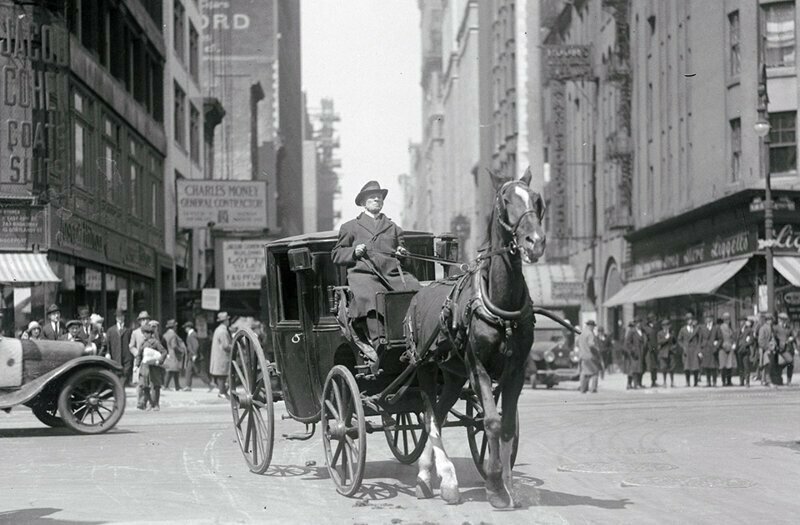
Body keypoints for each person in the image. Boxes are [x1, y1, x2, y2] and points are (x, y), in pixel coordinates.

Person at [331, 180, 420, 372]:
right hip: (364, 274)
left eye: (379, 198)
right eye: (372, 197)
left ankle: (415, 338)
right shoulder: (350, 227)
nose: (376, 200)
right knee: (370, 296)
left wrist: (403, 253)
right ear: (363, 202)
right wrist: (354, 251)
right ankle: (379, 341)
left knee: (415, 289)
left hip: (393, 274)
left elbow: (405, 256)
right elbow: (336, 254)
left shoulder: (393, 227)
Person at [136, 320, 167, 411]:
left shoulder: (156, 343)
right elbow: (139, 354)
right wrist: (136, 365)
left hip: (154, 368)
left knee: (155, 386)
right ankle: (150, 403)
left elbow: (164, 352)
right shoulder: (143, 343)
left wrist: (159, 361)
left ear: (150, 334)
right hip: (145, 368)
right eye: (144, 333)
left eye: (147, 333)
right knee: (145, 386)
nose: (145, 335)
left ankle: (156, 404)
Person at [210, 311, 233, 399]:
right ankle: (222, 392)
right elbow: (225, 345)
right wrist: (234, 347)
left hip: (218, 355)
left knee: (221, 374)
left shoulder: (218, 329)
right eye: (228, 320)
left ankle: (223, 391)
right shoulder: (223, 331)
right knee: (222, 374)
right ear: (225, 321)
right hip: (222, 355)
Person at [106, 310, 132, 383]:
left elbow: (131, 343)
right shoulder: (111, 330)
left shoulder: (128, 330)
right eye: (118, 317)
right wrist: (108, 353)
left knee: (124, 377)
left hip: (126, 357)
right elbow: (107, 344)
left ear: (124, 317)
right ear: (116, 318)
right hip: (115, 356)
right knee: (115, 378)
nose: (120, 318)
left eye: (122, 316)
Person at [578, 320, 602, 393]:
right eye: (593, 327)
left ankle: (583, 388)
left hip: (582, 355)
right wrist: (597, 350)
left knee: (584, 372)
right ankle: (593, 389)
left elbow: (577, 343)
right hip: (590, 355)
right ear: (591, 326)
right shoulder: (590, 334)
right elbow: (591, 345)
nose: (594, 328)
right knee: (595, 372)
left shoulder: (581, 333)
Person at [678, 313, 701, 386]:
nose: (690, 321)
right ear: (686, 321)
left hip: (694, 349)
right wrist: (683, 347)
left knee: (695, 366)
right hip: (686, 350)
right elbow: (679, 339)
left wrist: (698, 349)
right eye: (688, 319)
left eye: (691, 319)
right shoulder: (683, 329)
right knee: (686, 367)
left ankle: (695, 382)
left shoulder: (696, 328)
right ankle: (687, 382)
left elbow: (699, 339)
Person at [129, 311, 152, 385]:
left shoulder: (152, 332)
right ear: (139, 321)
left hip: (150, 359)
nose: (145, 321)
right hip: (139, 360)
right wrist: (137, 354)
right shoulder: (135, 332)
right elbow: (131, 346)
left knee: (150, 382)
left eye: (146, 319)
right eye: (143, 320)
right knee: (139, 383)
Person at [699, 314, 720, 387]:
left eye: (709, 318)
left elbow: (720, 338)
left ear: (712, 319)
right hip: (705, 349)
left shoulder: (716, 327)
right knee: (706, 366)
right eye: (707, 318)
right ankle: (708, 382)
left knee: (713, 367)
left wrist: (716, 346)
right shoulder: (702, 328)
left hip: (713, 349)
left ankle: (714, 381)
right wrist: (700, 351)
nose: (708, 320)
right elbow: (700, 340)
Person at [181, 321, 204, 391]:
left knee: (198, 371)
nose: (185, 329)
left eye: (185, 327)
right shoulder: (191, 334)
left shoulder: (192, 334)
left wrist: (194, 354)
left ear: (188, 328)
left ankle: (210, 384)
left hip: (193, 355)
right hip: (191, 355)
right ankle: (188, 386)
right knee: (188, 370)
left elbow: (196, 345)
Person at [162, 319, 184, 391]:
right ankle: (166, 386)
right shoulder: (173, 335)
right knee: (171, 370)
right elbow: (174, 346)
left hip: (168, 353)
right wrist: (180, 350)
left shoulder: (165, 334)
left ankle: (177, 386)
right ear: (173, 327)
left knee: (175, 370)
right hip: (173, 354)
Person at [624, 318, 646, 389]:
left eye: (640, 322)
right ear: (635, 324)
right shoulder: (632, 331)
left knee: (640, 368)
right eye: (637, 323)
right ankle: (633, 384)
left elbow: (645, 340)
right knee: (634, 368)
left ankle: (639, 383)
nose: (639, 324)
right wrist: (632, 349)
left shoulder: (642, 331)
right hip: (634, 353)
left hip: (642, 352)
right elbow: (627, 342)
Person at [774, 312, 795, 386]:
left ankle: (789, 381)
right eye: (782, 320)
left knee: (791, 364)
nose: (783, 321)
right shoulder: (776, 328)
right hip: (782, 349)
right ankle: (779, 368)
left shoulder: (789, 327)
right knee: (790, 360)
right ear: (779, 320)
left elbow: (793, 336)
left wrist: (792, 338)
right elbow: (774, 338)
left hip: (790, 348)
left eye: (785, 320)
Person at [735, 316, 757, 387]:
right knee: (740, 366)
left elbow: (751, 340)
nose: (741, 322)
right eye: (740, 321)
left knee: (746, 366)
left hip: (745, 350)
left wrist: (745, 344)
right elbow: (735, 339)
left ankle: (747, 382)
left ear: (745, 322)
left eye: (742, 321)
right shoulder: (738, 330)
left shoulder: (749, 330)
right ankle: (741, 381)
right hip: (738, 350)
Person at [718, 312, 736, 387]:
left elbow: (732, 337)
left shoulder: (730, 328)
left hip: (730, 347)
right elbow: (719, 337)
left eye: (728, 319)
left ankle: (728, 381)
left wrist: (734, 344)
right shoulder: (721, 327)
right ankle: (724, 381)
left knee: (729, 365)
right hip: (723, 348)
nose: (727, 320)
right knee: (723, 366)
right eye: (726, 319)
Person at [656, 319, 676, 387]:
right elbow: (659, 342)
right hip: (663, 353)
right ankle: (664, 382)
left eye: (667, 325)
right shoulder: (660, 333)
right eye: (664, 325)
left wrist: (674, 348)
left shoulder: (672, 333)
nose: (666, 327)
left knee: (672, 368)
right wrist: (666, 338)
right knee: (664, 368)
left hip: (671, 352)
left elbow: (674, 342)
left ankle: (672, 382)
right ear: (662, 326)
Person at [757, 315, 775, 386]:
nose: (770, 321)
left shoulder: (771, 328)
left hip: (769, 349)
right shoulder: (763, 328)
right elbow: (760, 341)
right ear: (766, 320)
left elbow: (772, 338)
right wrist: (767, 348)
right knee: (766, 365)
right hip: (764, 350)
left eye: (771, 320)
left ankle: (763, 380)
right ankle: (767, 381)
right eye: (769, 320)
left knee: (766, 365)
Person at [644, 313, 659, 387]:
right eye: (653, 319)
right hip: (649, 350)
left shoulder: (655, 327)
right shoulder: (646, 328)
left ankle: (654, 381)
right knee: (651, 365)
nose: (654, 320)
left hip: (655, 349)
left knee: (655, 365)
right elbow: (646, 340)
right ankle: (651, 381)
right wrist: (650, 348)